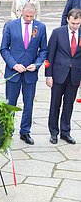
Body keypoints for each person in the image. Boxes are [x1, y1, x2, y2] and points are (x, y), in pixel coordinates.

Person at [0, 3, 48, 145]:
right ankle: (8, 130)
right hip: (13, 72)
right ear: (21, 12)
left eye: (31, 17)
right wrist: (14, 64)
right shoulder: (10, 25)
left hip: (30, 74)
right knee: (10, 103)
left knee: (28, 103)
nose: (28, 19)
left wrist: (37, 64)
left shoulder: (41, 27)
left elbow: (44, 50)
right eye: (26, 16)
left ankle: (25, 131)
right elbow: (4, 49)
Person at [45, 8, 81, 145]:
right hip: (58, 74)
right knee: (55, 104)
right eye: (73, 23)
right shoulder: (57, 33)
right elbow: (50, 55)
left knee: (69, 105)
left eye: (78, 23)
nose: (75, 26)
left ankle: (65, 132)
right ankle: (53, 132)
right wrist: (48, 75)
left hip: (74, 75)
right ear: (67, 19)